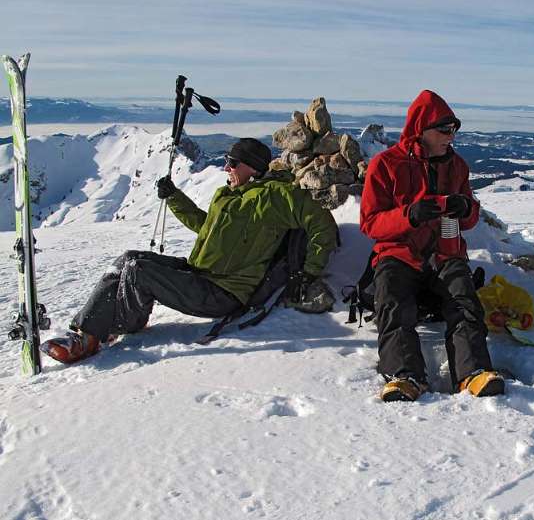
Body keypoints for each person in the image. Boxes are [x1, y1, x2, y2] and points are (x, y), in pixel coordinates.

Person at [43, 138, 338, 364]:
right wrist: (174, 198)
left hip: (222, 293)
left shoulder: (274, 196)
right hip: (200, 275)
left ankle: (89, 339)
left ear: (252, 167)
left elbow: (321, 222)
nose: (227, 168)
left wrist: (309, 272)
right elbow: (204, 226)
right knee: (130, 259)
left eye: (232, 162)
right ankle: (99, 327)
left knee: (139, 271)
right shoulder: (228, 194)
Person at [360, 89, 504, 402]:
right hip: (398, 254)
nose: (450, 138)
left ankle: (474, 373)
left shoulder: (457, 166)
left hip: (445, 251)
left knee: (463, 299)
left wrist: (467, 209)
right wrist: (409, 215)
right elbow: (370, 223)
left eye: (453, 130)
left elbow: (468, 219)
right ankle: (405, 375)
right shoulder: (385, 165)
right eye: (443, 130)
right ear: (420, 129)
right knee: (392, 301)